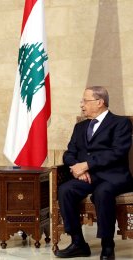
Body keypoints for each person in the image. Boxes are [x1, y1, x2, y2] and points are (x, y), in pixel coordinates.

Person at [55, 86, 133, 260]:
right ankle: (78, 243)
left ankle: (107, 245)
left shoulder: (121, 123)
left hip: (114, 176)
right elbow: (69, 153)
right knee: (66, 190)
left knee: (102, 192)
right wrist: (77, 167)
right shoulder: (80, 126)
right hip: (87, 176)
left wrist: (86, 165)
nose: (81, 105)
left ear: (100, 102)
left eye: (85, 101)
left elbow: (117, 152)